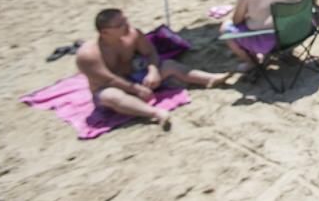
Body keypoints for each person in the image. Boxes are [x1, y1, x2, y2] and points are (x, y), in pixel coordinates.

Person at [77, 9, 227, 130]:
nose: (127, 25)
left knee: (169, 65)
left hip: (136, 75)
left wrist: (153, 71)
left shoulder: (134, 34)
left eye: (125, 20)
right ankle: (156, 113)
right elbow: (108, 79)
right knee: (111, 97)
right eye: (120, 25)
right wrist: (135, 89)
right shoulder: (89, 54)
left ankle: (209, 78)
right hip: (111, 87)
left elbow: (150, 53)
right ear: (105, 32)